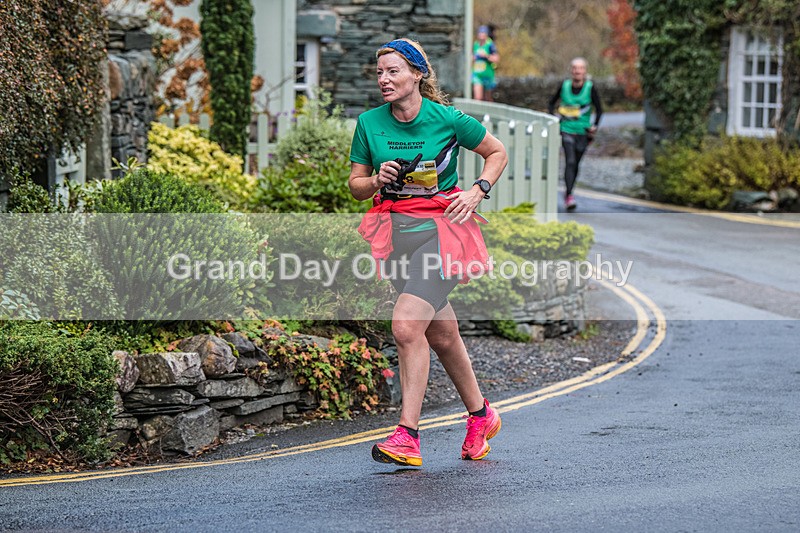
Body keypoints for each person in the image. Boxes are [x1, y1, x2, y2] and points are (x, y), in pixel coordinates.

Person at [349, 38, 508, 466]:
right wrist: (376, 180)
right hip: (396, 239)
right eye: (380, 73)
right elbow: (356, 186)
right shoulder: (369, 123)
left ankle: (407, 434)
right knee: (440, 334)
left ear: (417, 74)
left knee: (405, 326)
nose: (384, 79)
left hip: (443, 235)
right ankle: (481, 416)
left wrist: (477, 190)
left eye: (393, 71)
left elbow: (497, 152)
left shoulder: (447, 119)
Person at [548, 57, 603, 211]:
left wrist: (595, 126)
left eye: (580, 68)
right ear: (571, 71)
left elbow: (599, 110)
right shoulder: (564, 86)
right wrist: (555, 119)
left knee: (576, 163)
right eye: (575, 68)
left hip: (583, 131)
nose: (577, 71)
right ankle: (569, 196)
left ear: (585, 71)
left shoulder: (590, 87)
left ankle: (569, 191)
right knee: (570, 161)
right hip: (566, 129)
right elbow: (551, 103)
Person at [472, 25, 499, 102]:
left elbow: (496, 58)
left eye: (483, 33)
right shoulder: (475, 44)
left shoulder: (490, 45)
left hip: (488, 74)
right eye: (480, 33)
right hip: (477, 74)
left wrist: (486, 56)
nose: (481, 35)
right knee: (478, 98)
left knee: (488, 98)